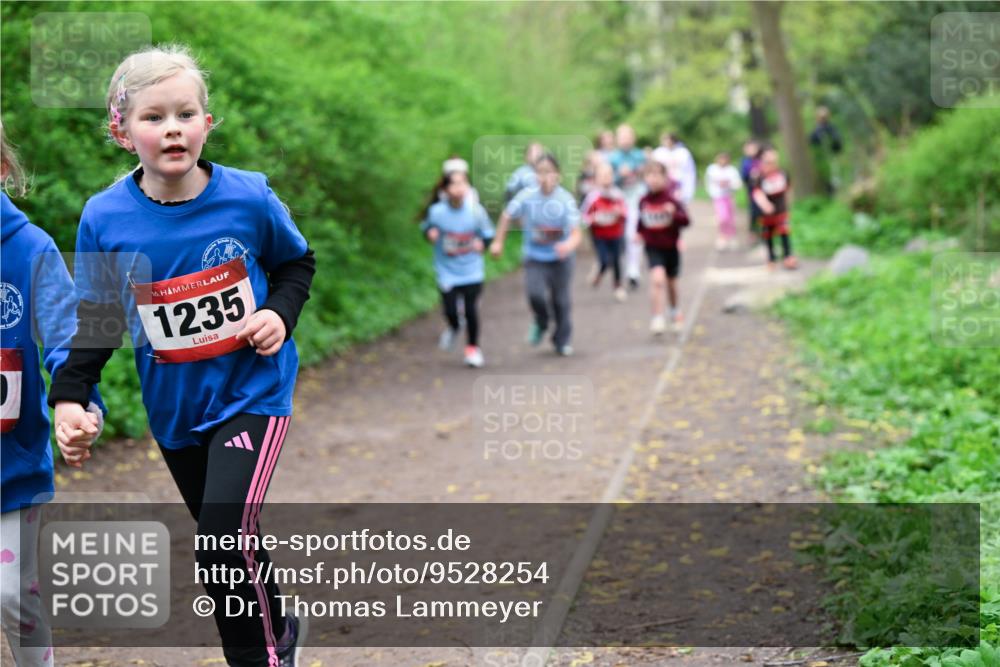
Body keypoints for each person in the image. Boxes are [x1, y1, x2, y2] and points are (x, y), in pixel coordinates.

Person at [47, 45, 315, 667]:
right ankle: (280, 625)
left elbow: (295, 262)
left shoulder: (248, 197)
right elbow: (100, 316)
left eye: (185, 113)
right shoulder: (105, 216)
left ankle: (261, 659)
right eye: (153, 117)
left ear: (206, 124)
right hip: (175, 407)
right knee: (231, 539)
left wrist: (278, 312)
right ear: (122, 132)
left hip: (253, 393)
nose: (172, 127)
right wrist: (69, 395)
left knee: (220, 540)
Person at [1, 125, 105, 667]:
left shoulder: (29, 248)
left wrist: (76, 404)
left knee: (12, 593)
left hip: (9, 468)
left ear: (2, 169)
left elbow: (68, 335)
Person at [490, 153, 582, 356]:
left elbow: (576, 233)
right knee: (535, 294)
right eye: (540, 172)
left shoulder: (565, 200)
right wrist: (498, 242)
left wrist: (567, 245)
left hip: (560, 259)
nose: (544, 177)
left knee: (561, 300)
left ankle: (561, 340)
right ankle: (541, 321)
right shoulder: (527, 196)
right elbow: (507, 215)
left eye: (549, 172)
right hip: (534, 257)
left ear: (557, 175)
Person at [420, 170, 494, 367]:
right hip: (447, 271)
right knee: (450, 311)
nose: (459, 189)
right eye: (454, 184)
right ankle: (454, 326)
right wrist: (430, 234)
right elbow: (425, 228)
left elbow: (488, 234)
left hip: (472, 270)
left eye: (463, 184)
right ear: (445, 189)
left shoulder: (476, 212)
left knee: (471, 310)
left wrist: (483, 244)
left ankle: (472, 349)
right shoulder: (437, 212)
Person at [637, 161, 690, 335]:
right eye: (650, 175)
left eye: (658, 175)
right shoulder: (643, 201)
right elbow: (642, 222)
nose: (653, 179)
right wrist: (639, 234)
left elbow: (686, 221)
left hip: (671, 247)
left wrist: (673, 213)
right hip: (653, 247)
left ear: (665, 178)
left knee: (672, 283)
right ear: (645, 178)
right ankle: (657, 317)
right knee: (657, 280)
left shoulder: (671, 199)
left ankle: (675, 311)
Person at [580, 162, 627, 302]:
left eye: (609, 174)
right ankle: (598, 275)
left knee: (617, 260)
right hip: (599, 236)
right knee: (605, 260)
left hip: (616, 233)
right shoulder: (592, 197)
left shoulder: (618, 195)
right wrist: (592, 219)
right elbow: (583, 217)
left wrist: (620, 213)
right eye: (602, 175)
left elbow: (626, 214)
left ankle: (618, 287)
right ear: (596, 179)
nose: (606, 178)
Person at [608, 124, 646, 291]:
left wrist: (639, 172)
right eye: (622, 137)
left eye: (628, 136)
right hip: (617, 200)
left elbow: (646, 177)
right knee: (618, 237)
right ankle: (620, 270)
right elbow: (606, 180)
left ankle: (633, 271)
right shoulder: (612, 158)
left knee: (633, 234)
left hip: (635, 200)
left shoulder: (639, 156)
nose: (625, 140)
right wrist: (618, 175)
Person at [751, 148, 798, 270]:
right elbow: (757, 193)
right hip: (767, 214)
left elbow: (788, 188)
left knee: (785, 233)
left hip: (781, 210)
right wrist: (765, 204)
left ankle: (788, 257)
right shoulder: (759, 176)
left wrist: (789, 203)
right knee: (768, 235)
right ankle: (771, 259)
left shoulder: (782, 173)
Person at [705, 152, 743, 250]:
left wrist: (729, 184)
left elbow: (738, 184)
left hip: (729, 196)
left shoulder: (731, 170)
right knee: (722, 218)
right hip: (718, 197)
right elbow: (709, 183)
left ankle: (731, 236)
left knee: (730, 218)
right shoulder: (712, 169)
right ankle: (722, 236)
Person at [652, 132, 696, 206]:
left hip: (678, 184)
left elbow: (689, 171)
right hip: (663, 184)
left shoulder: (683, 153)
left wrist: (688, 188)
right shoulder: (658, 153)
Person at [809, 106, 843, 195]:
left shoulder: (831, 129)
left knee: (835, 180)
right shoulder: (816, 132)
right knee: (826, 183)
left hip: (832, 158)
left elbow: (838, 143)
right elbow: (812, 144)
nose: (823, 119)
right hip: (822, 161)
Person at [740, 139, 763, 238]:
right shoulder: (745, 161)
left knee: (762, 211)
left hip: (762, 188)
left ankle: (763, 232)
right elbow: (743, 176)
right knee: (753, 211)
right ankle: (753, 232)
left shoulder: (760, 159)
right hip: (752, 189)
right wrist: (750, 175)